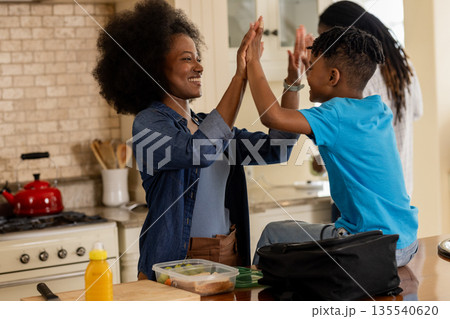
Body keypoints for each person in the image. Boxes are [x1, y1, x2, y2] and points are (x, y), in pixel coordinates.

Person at [93, 0, 300, 280]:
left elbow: (279, 149)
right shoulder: (148, 124)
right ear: (154, 66)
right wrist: (241, 75)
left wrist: (293, 84)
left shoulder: (209, 126)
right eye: (187, 58)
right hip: (176, 264)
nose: (199, 66)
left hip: (229, 257)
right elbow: (200, 151)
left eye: (198, 57)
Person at [246, 22, 418, 267]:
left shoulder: (334, 115)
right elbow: (285, 122)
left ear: (332, 76)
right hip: (405, 243)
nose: (307, 72)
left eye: (311, 67)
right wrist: (294, 78)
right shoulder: (375, 108)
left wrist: (253, 61)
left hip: (370, 245)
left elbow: (273, 117)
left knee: (273, 232)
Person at [318, 1, 423, 200]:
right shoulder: (404, 67)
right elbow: (417, 111)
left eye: (326, 39)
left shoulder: (356, 77)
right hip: (401, 194)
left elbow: (341, 136)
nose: (323, 50)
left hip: (361, 199)